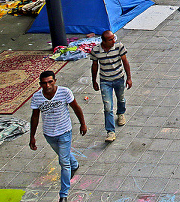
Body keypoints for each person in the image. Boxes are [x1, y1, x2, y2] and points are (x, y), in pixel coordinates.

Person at [29, 71, 88, 202]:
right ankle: (75, 164)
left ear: (55, 81)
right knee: (64, 156)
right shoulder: (37, 97)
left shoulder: (65, 92)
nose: (47, 85)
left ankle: (63, 195)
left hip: (65, 132)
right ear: (40, 84)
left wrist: (83, 124)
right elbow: (34, 117)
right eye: (44, 83)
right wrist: (32, 136)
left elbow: (76, 108)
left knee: (63, 162)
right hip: (49, 134)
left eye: (50, 82)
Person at [89, 30, 132, 143]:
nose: (113, 41)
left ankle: (121, 113)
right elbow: (94, 66)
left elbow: (125, 62)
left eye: (113, 38)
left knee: (121, 98)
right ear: (103, 41)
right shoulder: (96, 51)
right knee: (107, 107)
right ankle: (110, 132)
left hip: (119, 78)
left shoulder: (118, 47)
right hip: (105, 81)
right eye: (110, 39)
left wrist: (129, 78)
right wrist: (94, 81)